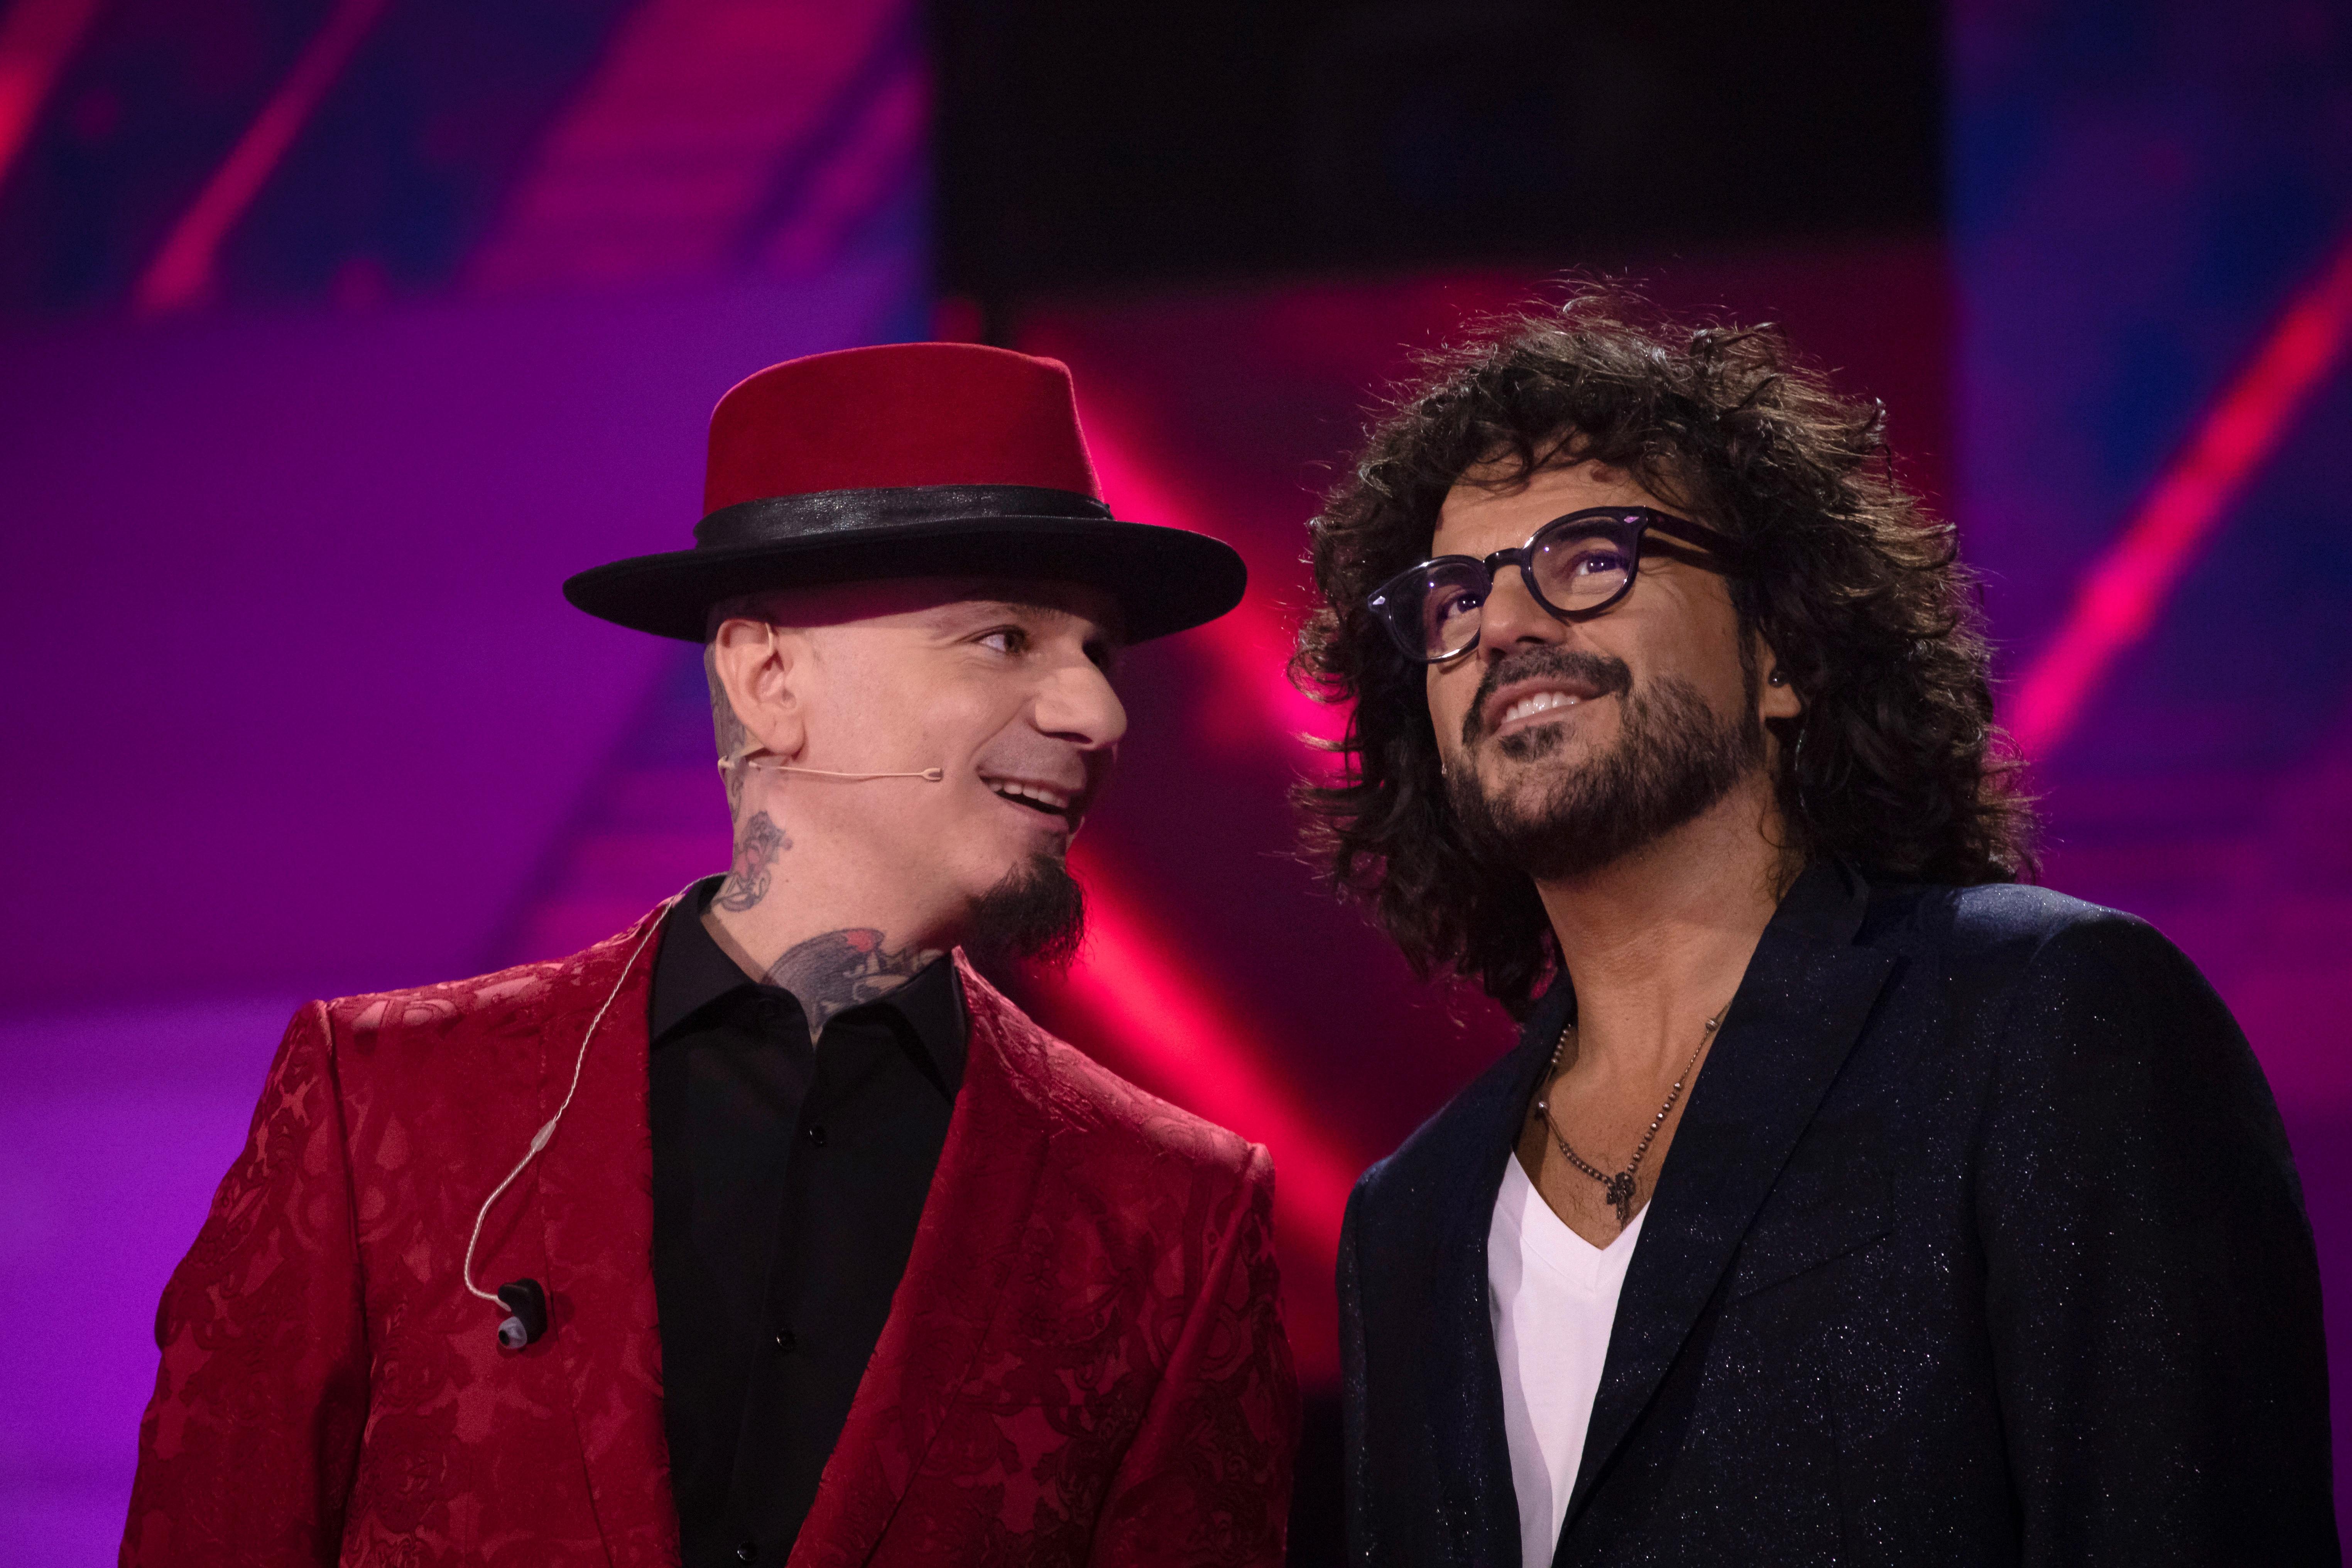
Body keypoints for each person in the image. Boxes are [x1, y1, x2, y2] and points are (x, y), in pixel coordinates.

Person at [122, 343, 1298, 1567]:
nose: (1096, 714)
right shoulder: (379, 1103)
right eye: (1005, 638)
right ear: (768, 674)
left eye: (1101, 655)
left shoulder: (1176, 1216)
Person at [1293, 294, 2335, 1565]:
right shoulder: (1408, 1219)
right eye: (1453, 599)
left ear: (1781, 650)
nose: (1501, 625)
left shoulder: (2047, 1020)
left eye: (1590, 555)